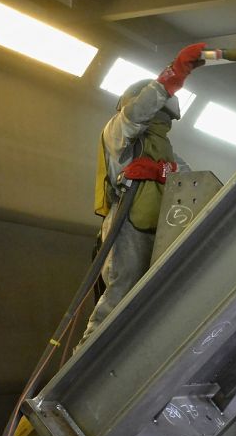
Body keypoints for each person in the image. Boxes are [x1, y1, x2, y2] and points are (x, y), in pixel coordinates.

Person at [78, 43, 207, 346]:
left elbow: (191, 182)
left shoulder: (165, 149)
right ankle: (87, 357)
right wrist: (173, 76)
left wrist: (161, 170)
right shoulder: (118, 133)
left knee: (154, 298)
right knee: (121, 293)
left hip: (159, 229)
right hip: (126, 225)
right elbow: (137, 113)